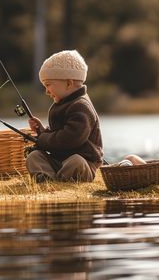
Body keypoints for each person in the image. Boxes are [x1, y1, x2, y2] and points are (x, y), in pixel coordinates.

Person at [26, 50, 103, 183]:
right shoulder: (62, 103)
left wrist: (43, 139)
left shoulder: (81, 106)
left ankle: (58, 179)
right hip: (59, 161)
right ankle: (48, 178)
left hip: (84, 162)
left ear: (68, 83)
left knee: (76, 162)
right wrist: (42, 131)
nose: (46, 91)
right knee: (34, 156)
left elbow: (70, 138)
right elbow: (57, 134)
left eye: (48, 84)